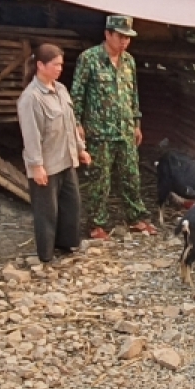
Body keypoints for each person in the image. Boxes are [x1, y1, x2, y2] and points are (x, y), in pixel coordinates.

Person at [71, 15, 157, 239]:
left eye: (128, 37)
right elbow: (77, 94)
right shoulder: (89, 59)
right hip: (99, 131)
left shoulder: (129, 61)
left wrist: (136, 123)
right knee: (100, 179)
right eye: (120, 36)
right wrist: (77, 123)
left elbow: (133, 95)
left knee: (131, 174)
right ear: (107, 34)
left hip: (125, 129)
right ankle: (96, 224)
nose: (124, 42)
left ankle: (135, 217)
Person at [17, 43, 92, 263]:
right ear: (40, 65)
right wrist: (36, 165)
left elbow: (70, 123)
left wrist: (80, 149)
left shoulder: (60, 89)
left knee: (71, 204)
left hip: (65, 159)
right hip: (46, 164)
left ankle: (67, 244)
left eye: (61, 64)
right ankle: (47, 255)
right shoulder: (31, 98)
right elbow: (31, 135)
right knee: (46, 212)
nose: (60, 68)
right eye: (56, 64)